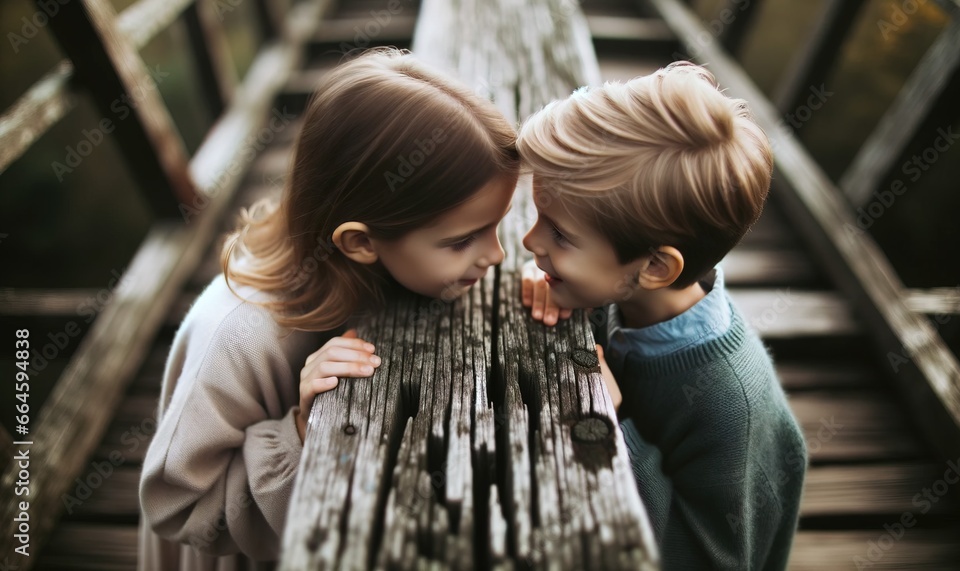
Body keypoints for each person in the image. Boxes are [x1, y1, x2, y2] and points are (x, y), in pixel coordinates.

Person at [138, 48, 519, 570]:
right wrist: (299, 432)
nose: (497, 256)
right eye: (461, 241)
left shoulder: (370, 254)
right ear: (360, 242)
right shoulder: (234, 337)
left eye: (496, 227)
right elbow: (177, 507)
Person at [518, 62, 807, 569]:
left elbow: (702, 559)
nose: (529, 241)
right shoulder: (624, 292)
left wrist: (609, 425)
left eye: (559, 234)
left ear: (654, 265)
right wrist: (556, 284)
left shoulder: (730, 408)